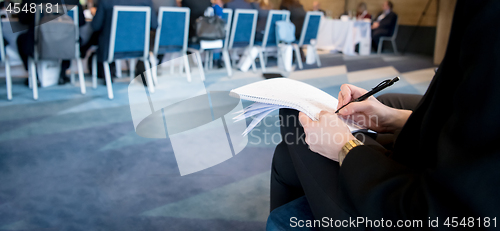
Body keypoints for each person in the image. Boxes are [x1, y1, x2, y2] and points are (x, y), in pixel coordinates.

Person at [270, 0, 500, 229]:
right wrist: (396, 119)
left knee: (295, 117)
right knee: (288, 153)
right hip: (427, 171)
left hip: (410, 210)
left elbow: (446, 212)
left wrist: (345, 147)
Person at [16, 0, 86, 85]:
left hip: (39, 43)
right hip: (66, 44)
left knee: (21, 39)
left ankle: (34, 74)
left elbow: (23, 20)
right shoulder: (73, 1)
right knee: (71, 38)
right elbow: (81, 22)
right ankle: (63, 72)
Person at [91, 0, 157, 64]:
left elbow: (95, 26)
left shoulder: (106, 1)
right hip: (139, 49)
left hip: (110, 50)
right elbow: (154, 25)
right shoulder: (146, 2)